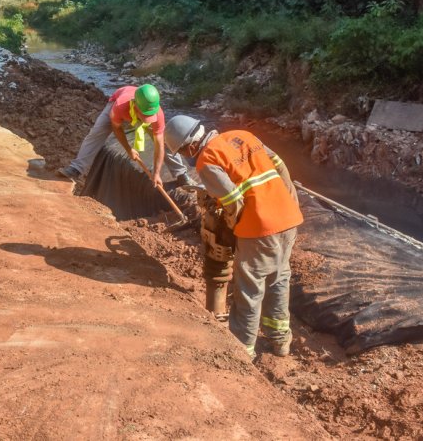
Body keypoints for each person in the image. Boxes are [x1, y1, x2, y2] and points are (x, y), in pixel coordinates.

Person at [164, 115, 303, 358]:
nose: (187, 156)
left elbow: (233, 202)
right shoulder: (242, 135)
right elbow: (279, 165)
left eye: (184, 152)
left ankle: (241, 349)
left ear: (191, 146)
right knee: (279, 277)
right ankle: (280, 341)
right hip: (289, 219)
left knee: (249, 288)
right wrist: (290, 201)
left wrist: (233, 228)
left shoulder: (206, 160)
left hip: (260, 227)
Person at [58, 84, 193, 187]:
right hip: (118, 103)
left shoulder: (158, 114)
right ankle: (76, 168)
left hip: (135, 108)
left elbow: (159, 145)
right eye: (145, 115)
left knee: (165, 142)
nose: (148, 118)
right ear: (135, 105)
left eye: (150, 115)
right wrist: (129, 150)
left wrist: (156, 173)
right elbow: (117, 129)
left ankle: (181, 174)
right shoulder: (120, 106)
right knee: (97, 131)